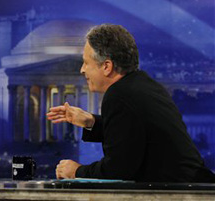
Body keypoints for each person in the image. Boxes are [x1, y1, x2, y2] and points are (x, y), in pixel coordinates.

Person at [47, 24, 215, 182]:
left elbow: (117, 170)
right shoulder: (142, 85)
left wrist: (76, 171)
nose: (82, 70)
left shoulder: (119, 95)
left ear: (107, 66)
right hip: (192, 186)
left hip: (181, 194)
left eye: (86, 62)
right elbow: (132, 134)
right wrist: (91, 122)